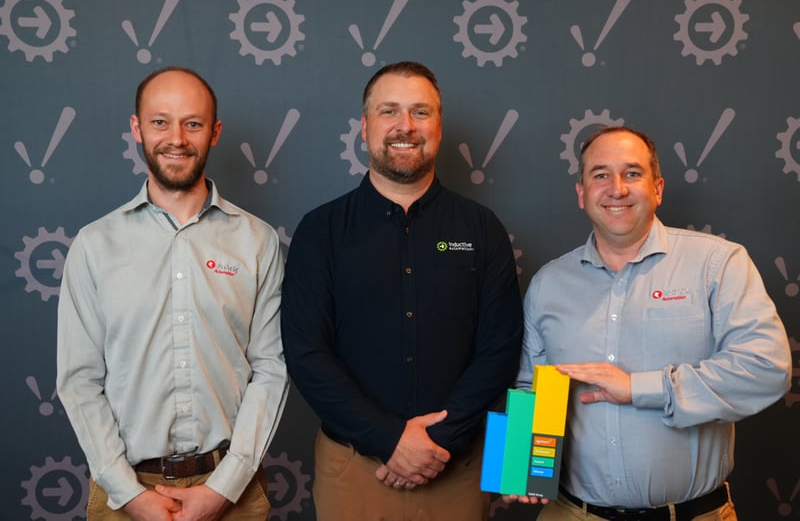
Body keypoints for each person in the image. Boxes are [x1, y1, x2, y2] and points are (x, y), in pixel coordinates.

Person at [280, 61, 523, 521]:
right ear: (365, 126)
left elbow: (501, 349)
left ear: (439, 126)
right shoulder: (321, 231)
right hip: (354, 471)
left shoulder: (482, 229)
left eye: (420, 112)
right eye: (389, 111)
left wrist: (434, 445)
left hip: (457, 467)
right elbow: (306, 353)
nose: (405, 126)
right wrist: (389, 440)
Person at [508, 126, 791, 520]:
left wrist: (640, 388)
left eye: (633, 173)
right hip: (572, 513)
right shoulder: (549, 283)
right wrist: (519, 465)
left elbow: (767, 368)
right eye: (601, 175)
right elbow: (533, 387)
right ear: (582, 193)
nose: (617, 188)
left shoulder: (717, 264)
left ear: (657, 189)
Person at [57, 67, 289, 520]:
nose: (177, 138)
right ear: (137, 128)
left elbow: (272, 368)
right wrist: (131, 495)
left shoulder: (257, 242)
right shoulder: (94, 245)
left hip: (231, 492)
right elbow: (79, 380)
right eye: (160, 121)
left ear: (214, 132)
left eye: (194, 123)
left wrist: (224, 488)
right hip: (124, 495)